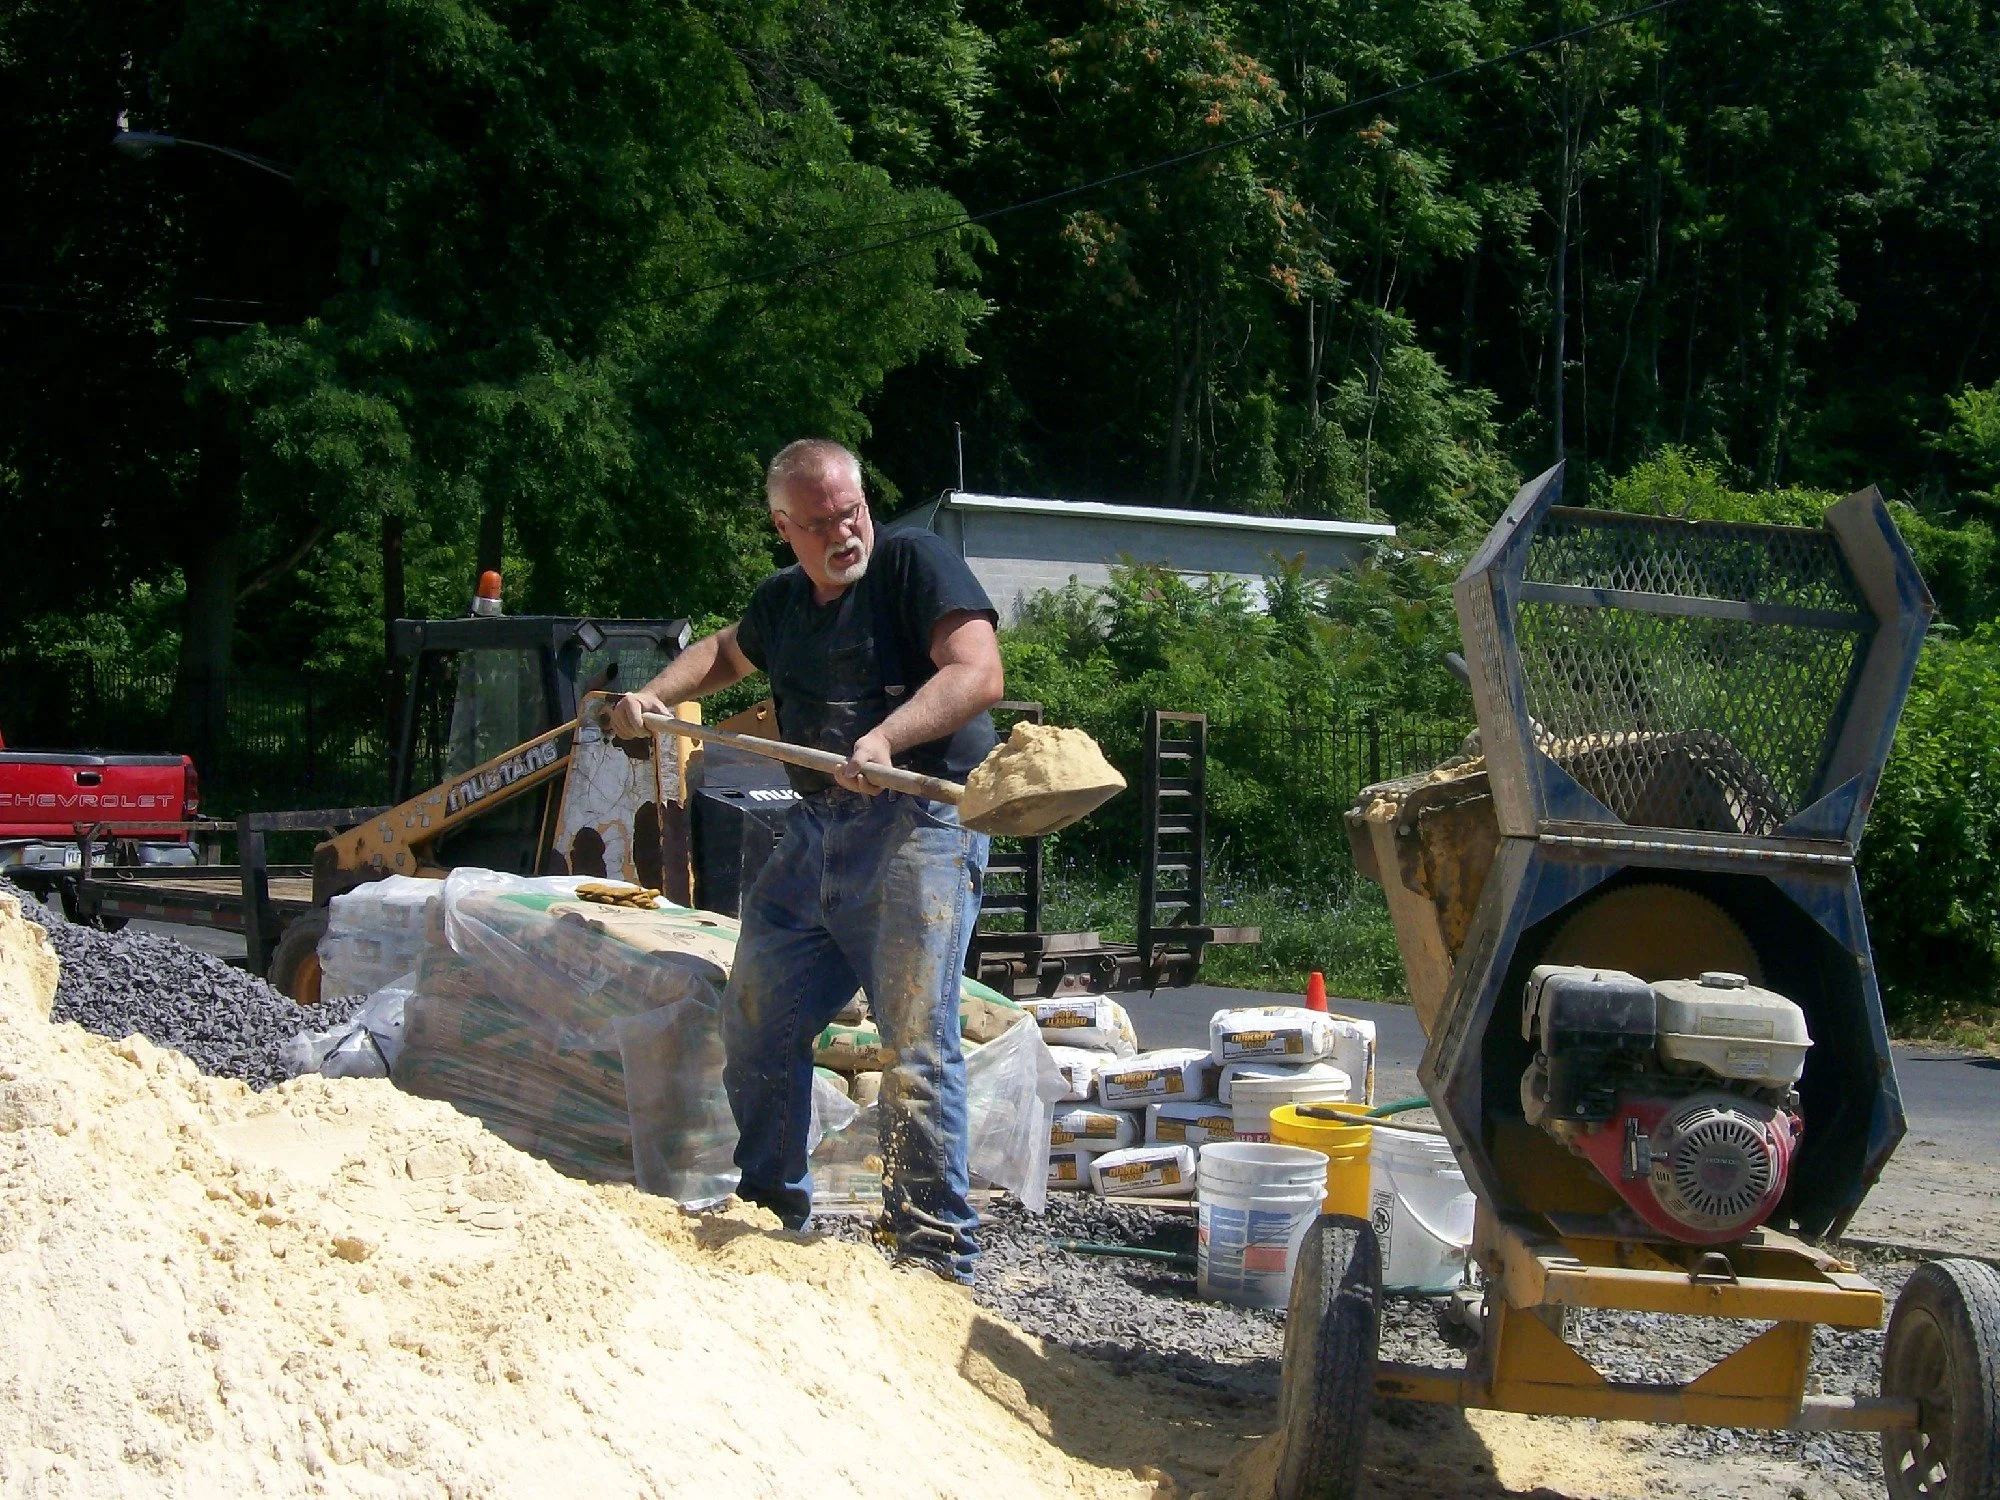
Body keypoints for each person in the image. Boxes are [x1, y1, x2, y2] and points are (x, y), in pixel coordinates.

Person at [610, 438, 1004, 1281]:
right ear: (783, 527)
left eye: (853, 512)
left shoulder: (915, 565)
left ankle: (935, 1257)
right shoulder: (783, 602)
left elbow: (977, 674)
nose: (846, 531)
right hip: (818, 825)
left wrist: (888, 735)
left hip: (919, 824)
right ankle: (768, 1213)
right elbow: (724, 651)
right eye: (821, 522)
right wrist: (655, 697)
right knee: (755, 1019)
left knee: (914, 1043)